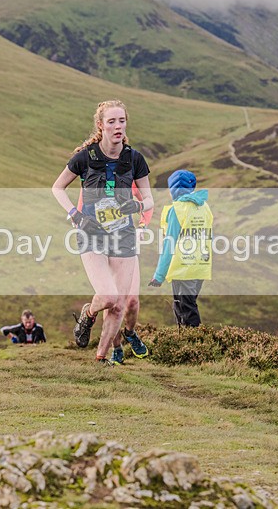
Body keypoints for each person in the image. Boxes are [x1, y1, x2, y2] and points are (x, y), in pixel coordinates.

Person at [51, 100, 153, 366]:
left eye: (122, 121)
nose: (118, 126)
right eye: (112, 121)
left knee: (121, 304)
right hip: (92, 234)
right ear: (101, 125)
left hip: (124, 237)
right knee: (108, 297)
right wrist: (75, 215)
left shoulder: (135, 158)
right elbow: (57, 188)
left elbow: (150, 200)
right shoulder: (85, 156)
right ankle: (88, 313)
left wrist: (138, 205)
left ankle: (101, 358)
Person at [148, 170, 212, 327]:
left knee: (186, 310)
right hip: (201, 268)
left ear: (173, 190)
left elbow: (169, 244)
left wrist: (159, 275)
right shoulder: (205, 207)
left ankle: (195, 345)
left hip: (184, 269)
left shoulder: (177, 210)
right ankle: (188, 343)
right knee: (187, 306)